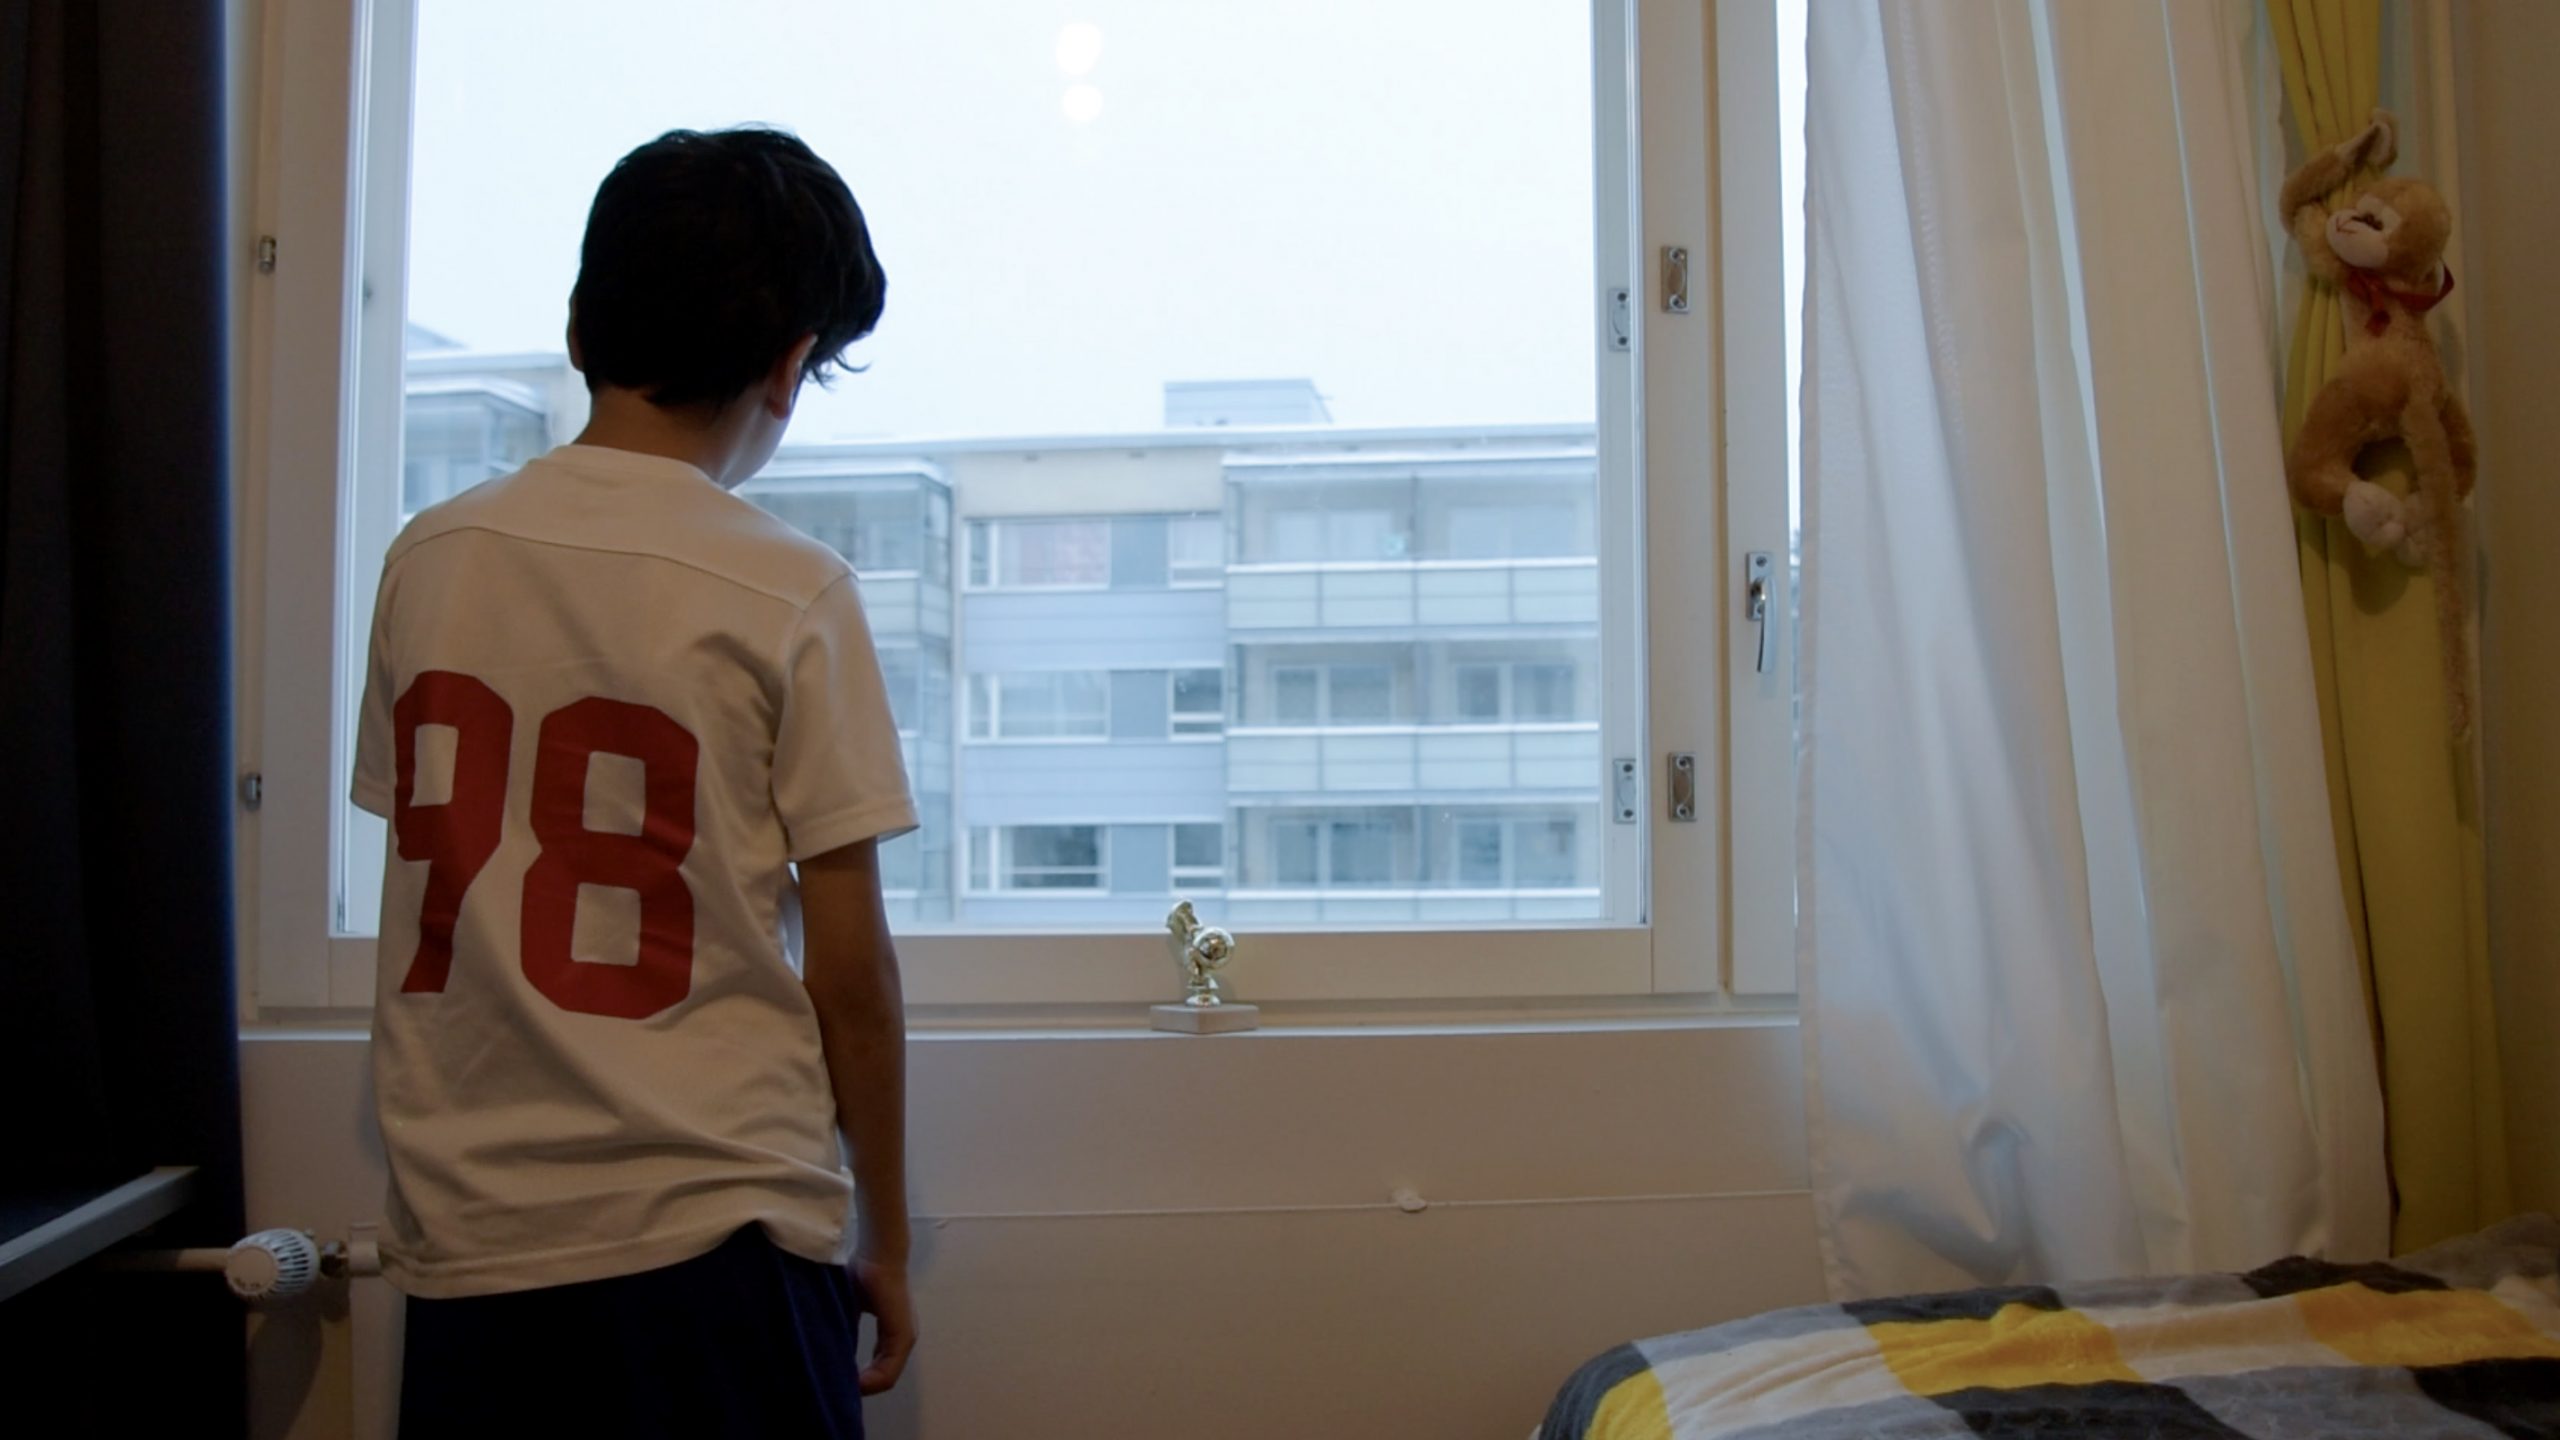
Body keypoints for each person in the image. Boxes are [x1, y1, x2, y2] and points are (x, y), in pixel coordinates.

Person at [351, 127, 914, 1438]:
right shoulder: (789, 589)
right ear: (790, 369)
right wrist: (884, 1230)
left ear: (578, 325)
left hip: (471, 1250)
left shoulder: (428, 559)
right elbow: (849, 976)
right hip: (715, 1240)